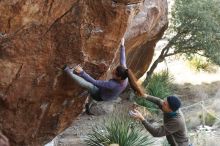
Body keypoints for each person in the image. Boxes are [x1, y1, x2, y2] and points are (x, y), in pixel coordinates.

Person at [63, 37, 144, 114]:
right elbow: (123, 60)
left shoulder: (112, 84)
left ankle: (67, 70)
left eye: (114, 73)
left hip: (99, 96)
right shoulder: (125, 73)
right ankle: (89, 105)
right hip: (109, 95)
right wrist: (122, 45)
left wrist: (82, 72)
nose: (112, 72)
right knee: (93, 90)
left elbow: (94, 82)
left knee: (89, 86)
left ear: (119, 77)